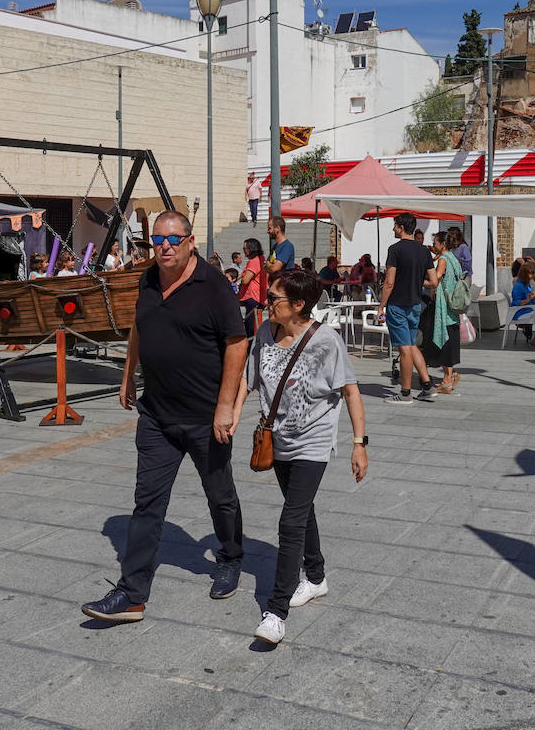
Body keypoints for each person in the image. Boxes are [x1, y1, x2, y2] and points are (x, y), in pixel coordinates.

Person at [81, 211, 249, 624]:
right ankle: (132, 593)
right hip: (157, 415)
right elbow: (139, 327)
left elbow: (237, 343)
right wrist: (128, 374)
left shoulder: (213, 285)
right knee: (147, 503)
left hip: (205, 416)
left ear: (190, 241)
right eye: (158, 240)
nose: (165, 246)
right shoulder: (148, 280)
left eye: (174, 239)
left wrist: (226, 405)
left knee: (220, 495)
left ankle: (230, 557)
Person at [234, 268, 366, 645]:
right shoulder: (265, 332)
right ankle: (317, 577)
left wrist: (359, 443)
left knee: (290, 521)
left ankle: (276, 612)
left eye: (274, 298)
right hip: (278, 440)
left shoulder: (327, 342)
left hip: (314, 442)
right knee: (302, 509)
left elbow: (351, 391)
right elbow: (248, 378)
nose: (266, 303)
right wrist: (232, 411)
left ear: (298, 304)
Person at [377, 213, 437, 404]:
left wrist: (381, 306)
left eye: (395, 225)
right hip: (415, 304)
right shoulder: (424, 251)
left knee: (404, 349)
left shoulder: (395, 249)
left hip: (398, 305)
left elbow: (389, 282)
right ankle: (427, 386)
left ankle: (405, 393)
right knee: (411, 345)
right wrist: (418, 281)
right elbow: (434, 281)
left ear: (401, 227)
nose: (393, 229)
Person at [420, 230, 462, 393]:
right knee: (450, 339)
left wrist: (419, 280)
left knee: (443, 340)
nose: (433, 246)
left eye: (435, 243)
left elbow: (435, 280)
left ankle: (447, 380)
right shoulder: (454, 259)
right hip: (453, 306)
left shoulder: (443, 259)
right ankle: (449, 376)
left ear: (443, 244)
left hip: (443, 306)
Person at [238, 237, 267, 336]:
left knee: (250, 328)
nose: (243, 251)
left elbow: (246, 280)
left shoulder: (254, 261)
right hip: (258, 296)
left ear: (251, 248)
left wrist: (241, 282)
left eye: (244, 248)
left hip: (253, 297)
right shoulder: (261, 259)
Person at [510, 263, 535, 343]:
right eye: (531, 273)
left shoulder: (527, 285)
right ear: (525, 274)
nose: (532, 275)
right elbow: (516, 302)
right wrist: (527, 300)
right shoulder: (518, 286)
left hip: (527, 310)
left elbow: (532, 301)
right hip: (520, 313)